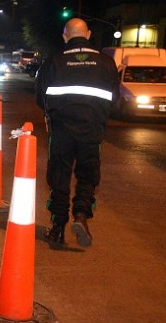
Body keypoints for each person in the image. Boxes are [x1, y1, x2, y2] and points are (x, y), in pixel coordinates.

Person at [35, 17, 119, 246]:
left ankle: (58, 229)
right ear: (89, 34)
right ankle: (81, 215)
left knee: (59, 178)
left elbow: (40, 97)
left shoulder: (53, 62)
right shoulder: (106, 63)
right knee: (87, 176)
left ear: (65, 37)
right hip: (92, 131)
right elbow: (116, 100)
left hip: (61, 131)